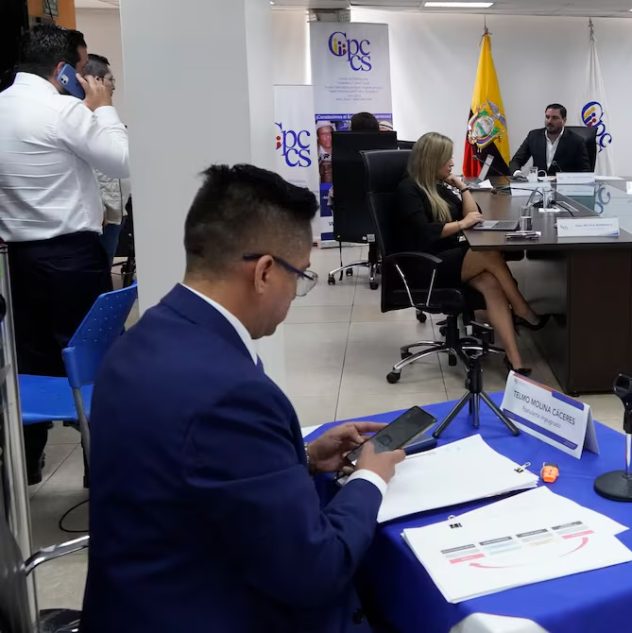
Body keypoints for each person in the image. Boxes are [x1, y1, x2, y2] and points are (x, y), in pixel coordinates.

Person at [82, 164, 406, 630]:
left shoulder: (140, 339)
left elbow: (199, 474)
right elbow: (315, 571)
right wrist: (369, 478)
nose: (295, 295)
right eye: (301, 277)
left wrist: (304, 460)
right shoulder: (231, 393)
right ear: (265, 272)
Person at [0, 24, 128, 484]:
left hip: (16, 260)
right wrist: (104, 107)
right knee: (90, 361)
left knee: (28, 364)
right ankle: (101, 471)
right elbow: (122, 160)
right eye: (81, 66)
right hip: (72, 257)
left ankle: (26, 466)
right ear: (63, 70)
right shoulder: (61, 110)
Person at [396, 132, 547, 374]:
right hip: (425, 265)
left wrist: (462, 187)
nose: (452, 163)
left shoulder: (437, 186)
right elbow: (425, 233)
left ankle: (515, 361)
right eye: (447, 159)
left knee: (491, 283)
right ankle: (521, 309)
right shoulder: (408, 189)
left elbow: (473, 215)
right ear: (432, 161)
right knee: (487, 253)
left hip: (447, 257)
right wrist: (461, 224)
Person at [84, 53, 131, 265]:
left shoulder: (107, 116)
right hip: (102, 217)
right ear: (97, 81)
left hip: (117, 212)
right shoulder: (83, 118)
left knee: (105, 266)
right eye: (111, 79)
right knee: (99, 270)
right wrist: (100, 209)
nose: (114, 86)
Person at [509, 103, 591, 175]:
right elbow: (516, 161)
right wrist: (517, 174)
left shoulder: (576, 141)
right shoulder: (533, 136)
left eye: (554, 118)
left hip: (564, 186)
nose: (549, 121)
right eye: (547, 117)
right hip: (539, 185)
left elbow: (585, 171)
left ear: (564, 120)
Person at [317, 120, 334, 184]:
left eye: (330, 133)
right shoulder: (313, 152)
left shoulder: (341, 149)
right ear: (318, 137)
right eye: (323, 134)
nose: (328, 136)